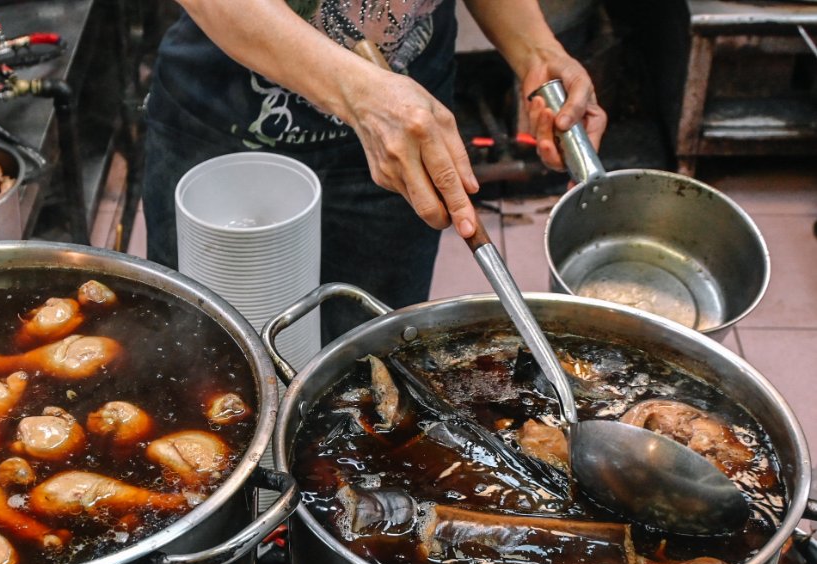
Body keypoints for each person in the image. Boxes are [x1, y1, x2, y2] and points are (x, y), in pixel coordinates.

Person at [142, 0, 608, 341]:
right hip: (227, 132)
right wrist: (363, 98)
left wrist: (533, 49)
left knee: (371, 376)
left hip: (402, 126)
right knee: (210, 362)